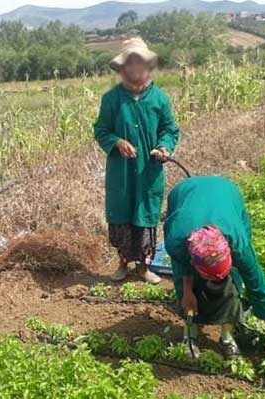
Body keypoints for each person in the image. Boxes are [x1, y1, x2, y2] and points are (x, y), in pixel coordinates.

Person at [164, 176, 265, 362]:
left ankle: (227, 336)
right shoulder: (177, 239)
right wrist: (188, 292)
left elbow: (257, 284)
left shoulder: (238, 243)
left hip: (226, 193)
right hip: (184, 193)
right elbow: (182, 265)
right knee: (186, 291)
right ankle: (190, 333)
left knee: (234, 281)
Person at [94, 37, 180, 285]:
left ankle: (144, 267)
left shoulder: (160, 99)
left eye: (139, 63)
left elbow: (170, 129)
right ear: (122, 68)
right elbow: (101, 130)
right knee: (122, 214)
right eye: (130, 64)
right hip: (121, 172)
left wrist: (164, 146)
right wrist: (116, 142)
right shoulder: (111, 99)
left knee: (146, 214)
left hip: (148, 170)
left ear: (147, 67)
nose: (135, 69)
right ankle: (123, 263)